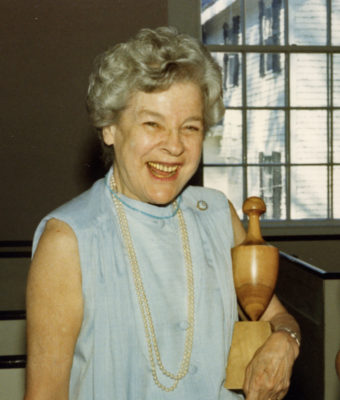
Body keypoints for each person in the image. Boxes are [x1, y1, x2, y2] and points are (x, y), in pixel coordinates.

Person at [24, 27, 300, 400]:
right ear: (110, 127)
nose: (173, 146)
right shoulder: (69, 239)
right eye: (152, 123)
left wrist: (284, 341)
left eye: (190, 127)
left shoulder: (218, 215)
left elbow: (278, 318)